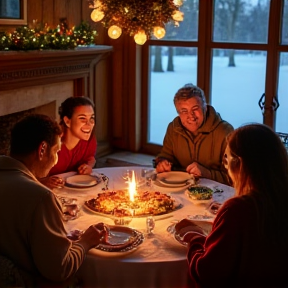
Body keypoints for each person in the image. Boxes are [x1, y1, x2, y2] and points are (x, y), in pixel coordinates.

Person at [0, 114, 108, 287]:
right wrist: (86, 241)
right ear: (42, 149)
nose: (56, 159)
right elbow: (59, 269)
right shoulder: (40, 197)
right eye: (56, 151)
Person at [175, 123, 288, 288]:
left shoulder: (238, 210)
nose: (226, 167)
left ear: (240, 164)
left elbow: (207, 274)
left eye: (226, 160)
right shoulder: (278, 200)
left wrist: (194, 237)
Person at [155, 83, 233, 185]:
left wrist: (207, 173)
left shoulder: (225, 132)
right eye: (184, 111)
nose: (191, 116)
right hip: (180, 189)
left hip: (215, 193)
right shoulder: (173, 129)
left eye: (195, 109)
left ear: (205, 108)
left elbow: (234, 179)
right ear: (178, 113)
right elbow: (166, 155)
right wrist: (162, 163)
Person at [41, 96, 97, 189]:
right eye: (82, 118)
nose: (89, 124)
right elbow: (25, 173)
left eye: (91, 118)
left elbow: (90, 158)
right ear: (67, 121)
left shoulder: (89, 140)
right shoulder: (50, 143)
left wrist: (88, 166)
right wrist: (43, 181)